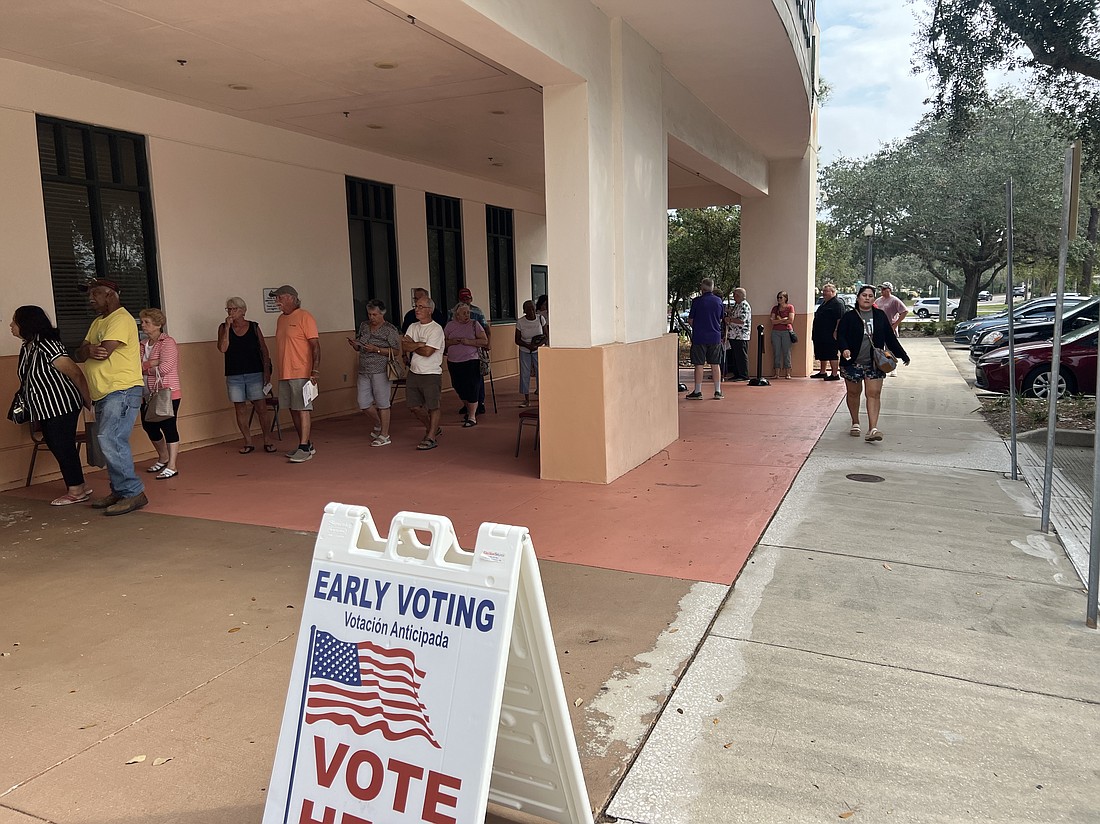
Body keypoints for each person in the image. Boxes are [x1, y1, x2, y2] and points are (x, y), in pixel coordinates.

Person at [74, 278, 147, 516]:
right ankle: (120, 490)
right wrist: (87, 350)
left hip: (122, 389)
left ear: (111, 294)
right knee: (109, 441)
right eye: (89, 294)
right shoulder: (98, 321)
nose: (91, 298)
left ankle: (133, 492)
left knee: (111, 438)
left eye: (96, 293)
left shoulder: (121, 319)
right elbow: (80, 351)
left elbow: (103, 351)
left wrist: (89, 349)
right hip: (104, 392)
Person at [10, 306, 93, 506]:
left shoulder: (48, 346)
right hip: (44, 407)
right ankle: (78, 486)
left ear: (27, 324)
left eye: (15, 322)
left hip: (61, 404)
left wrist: (88, 403)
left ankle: (76, 490)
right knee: (58, 444)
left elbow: (75, 373)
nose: (11, 326)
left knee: (62, 445)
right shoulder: (28, 346)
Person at [837, 285, 911, 442]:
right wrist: (844, 349)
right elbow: (841, 335)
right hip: (852, 362)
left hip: (875, 362)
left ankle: (873, 429)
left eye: (870, 295)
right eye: (864, 295)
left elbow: (889, 337)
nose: (867, 298)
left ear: (874, 299)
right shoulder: (849, 316)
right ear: (858, 298)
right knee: (853, 393)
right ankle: (855, 422)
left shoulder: (879, 316)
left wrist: (902, 355)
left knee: (874, 393)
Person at [217, 296, 275, 454]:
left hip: (255, 372)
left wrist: (266, 371)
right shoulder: (223, 327)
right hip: (234, 374)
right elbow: (223, 348)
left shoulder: (254, 326)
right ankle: (248, 441)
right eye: (228, 309)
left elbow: (264, 349)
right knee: (240, 408)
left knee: (261, 408)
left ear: (243, 311)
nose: (230, 312)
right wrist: (228, 329)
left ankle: (267, 440)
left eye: (234, 309)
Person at [271, 284, 320, 463]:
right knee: (292, 408)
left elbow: (315, 345)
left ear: (291, 298)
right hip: (285, 372)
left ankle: (304, 447)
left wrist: (315, 369)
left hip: (301, 370)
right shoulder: (280, 319)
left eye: (280, 298)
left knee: (303, 408)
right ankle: (306, 443)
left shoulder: (304, 316)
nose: (277, 302)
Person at [347, 298, 400, 447]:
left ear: (382, 314)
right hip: (364, 369)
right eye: (370, 314)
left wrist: (377, 349)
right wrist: (355, 345)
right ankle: (378, 424)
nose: (371, 317)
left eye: (374, 315)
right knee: (363, 403)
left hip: (381, 369)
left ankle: (384, 434)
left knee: (383, 403)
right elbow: (360, 344)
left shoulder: (389, 329)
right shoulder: (364, 326)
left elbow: (396, 351)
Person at [139, 308, 182, 479]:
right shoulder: (142, 344)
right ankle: (163, 456)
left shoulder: (168, 342)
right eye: (142, 322)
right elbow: (134, 367)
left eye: (146, 322)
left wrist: (145, 366)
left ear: (158, 325)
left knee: (169, 426)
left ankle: (172, 465)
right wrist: (152, 363)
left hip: (167, 392)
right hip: (147, 393)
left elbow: (165, 369)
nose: (143, 325)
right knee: (148, 425)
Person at [401, 296, 446, 450]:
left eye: (421, 307)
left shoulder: (436, 329)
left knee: (433, 406)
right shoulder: (413, 326)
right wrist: (418, 344)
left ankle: (431, 436)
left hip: (431, 372)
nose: (417, 309)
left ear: (430, 310)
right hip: (414, 371)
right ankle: (432, 428)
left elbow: (428, 352)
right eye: (416, 306)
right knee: (414, 406)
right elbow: (405, 346)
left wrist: (414, 345)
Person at [443, 303, 488, 427]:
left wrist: (469, 342)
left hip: (471, 360)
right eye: (463, 313)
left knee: (472, 386)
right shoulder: (450, 326)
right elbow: (443, 343)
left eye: (468, 312)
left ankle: (472, 416)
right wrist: (451, 342)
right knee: (458, 386)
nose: (467, 315)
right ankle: (468, 408)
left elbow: (484, 341)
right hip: (454, 361)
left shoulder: (474, 324)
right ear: (456, 315)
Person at [685, 278, 725, 399]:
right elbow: (721, 319)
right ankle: (718, 391)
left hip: (700, 336)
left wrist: (697, 326)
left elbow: (691, 320)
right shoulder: (718, 301)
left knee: (699, 364)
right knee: (715, 364)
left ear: (702, 289)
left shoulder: (697, 301)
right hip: (715, 337)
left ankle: (698, 391)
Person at [456, 287, 489, 415]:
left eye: (468, 298)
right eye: (463, 298)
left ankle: (479, 403)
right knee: (461, 380)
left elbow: (486, 328)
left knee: (476, 378)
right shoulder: (453, 311)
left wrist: (488, 343)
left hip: (475, 351)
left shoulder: (477, 311)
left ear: (471, 298)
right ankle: (467, 403)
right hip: (458, 353)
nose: (466, 300)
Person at [515, 299, 547, 406]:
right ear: (524, 311)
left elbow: (545, 336)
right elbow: (517, 340)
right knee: (525, 373)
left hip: (538, 349)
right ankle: (526, 399)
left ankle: (541, 395)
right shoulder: (520, 322)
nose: (531, 311)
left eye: (532, 308)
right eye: (528, 309)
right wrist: (528, 346)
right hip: (525, 350)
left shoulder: (540, 319)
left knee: (540, 373)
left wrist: (536, 346)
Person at [811, 283, 845, 381]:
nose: (824, 293)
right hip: (821, 334)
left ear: (833, 292)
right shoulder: (824, 302)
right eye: (823, 291)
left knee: (831, 353)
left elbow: (840, 319)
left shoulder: (837, 303)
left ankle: (834, 374)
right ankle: (823, 372)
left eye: (827, 291)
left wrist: (836, 331)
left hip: (831, 334)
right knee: (823, 352)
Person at [724, 288, 751, 381]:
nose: (734, 297)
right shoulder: (737, 305)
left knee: (741, 355)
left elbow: (742, 320)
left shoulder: (744, 305)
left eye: (735, 295)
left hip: (741, 335)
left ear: (739, 296)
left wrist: (730, 320)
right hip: (734, 334)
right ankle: (737, 373)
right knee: (735, 356)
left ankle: (743, 375)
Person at [770, 291, 796, 379]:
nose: (779, 299)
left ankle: (788, 372)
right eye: (778, 298)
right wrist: (783, 320)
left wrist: (779, 320)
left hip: (786, 331)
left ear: (785, 298)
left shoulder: (790, 307)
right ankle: (776, 373)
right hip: (775, 332)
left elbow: (790, 320)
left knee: (786, 352)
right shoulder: (775, 308)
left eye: (781, 297)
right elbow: (772, 321)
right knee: (776, 352)